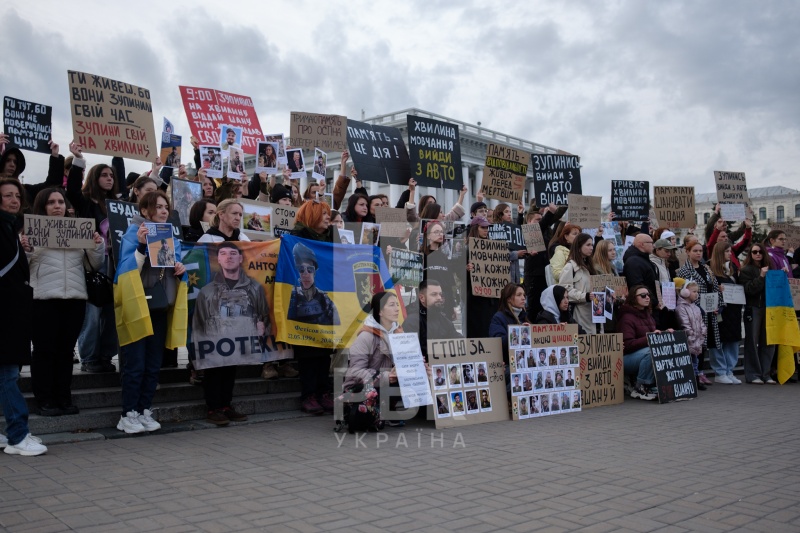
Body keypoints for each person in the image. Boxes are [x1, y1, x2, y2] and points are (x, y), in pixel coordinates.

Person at [27, 188, 105, 416]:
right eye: (51, 202)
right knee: (44, 351)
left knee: (64, 352)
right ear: (42, 207)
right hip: (43, 299)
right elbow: (25, 265)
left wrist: (97, 245)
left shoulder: (79, 231)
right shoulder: (32, 231)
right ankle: (45, 400)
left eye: (60, 201)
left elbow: (94, 265)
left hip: (74, 299)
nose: (57, 206)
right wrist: (28, 249)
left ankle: (63, 398)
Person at [116, 191, 187, 433]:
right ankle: (128, 413)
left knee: (153, 363)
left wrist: (180, 268)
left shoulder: (170, 236)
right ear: (145, 211)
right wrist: (141, 246)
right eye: (158, 207)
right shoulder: (133, 233)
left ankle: (144, 410)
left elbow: (175, 269)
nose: (164, 211)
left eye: (165, 207)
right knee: (135, 363)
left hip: (159, 306)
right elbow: (125, 271)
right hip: (138, 306)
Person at [192, 242, 270, 425]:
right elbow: (199, 322)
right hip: (214, 343)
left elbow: (264, 315)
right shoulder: (207, 292)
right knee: (214, 372)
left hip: (240, 343)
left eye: (233, 253)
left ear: (241, 258)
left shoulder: (255, 288)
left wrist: (261, 326)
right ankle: (213, 409)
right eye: (224, 253)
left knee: (230, 370)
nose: (229, 257)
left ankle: (226, 406)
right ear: (218, 258)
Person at [0, 178, 48, 456]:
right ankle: (18, 435)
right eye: (7, 195)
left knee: (5, 374)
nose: (14, 200)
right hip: (6, 314)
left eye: (16, 195)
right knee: (7, 375)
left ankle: (12, 434)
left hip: (12, 312)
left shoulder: (10, 229)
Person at [67, 142, 119, 374]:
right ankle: (89, 358)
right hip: (94, 263)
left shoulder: (117, 204)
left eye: (112, 175)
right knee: (93, 314)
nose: (109, 179)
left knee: (113, 312)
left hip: (116, 264)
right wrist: (78, 160)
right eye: (104, 175)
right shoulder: (86, 201)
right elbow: (72, 193)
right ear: (95, 177)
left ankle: (106, 356)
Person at [289, 200, 339, 414]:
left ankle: (323, 392)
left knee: (324, 352)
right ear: (311, 216)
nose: (328, 217)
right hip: (302, 299)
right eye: (323, 214)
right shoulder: (296, 239)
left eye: (328, 214)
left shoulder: (332, 238)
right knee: (308, 354)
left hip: (326, 295)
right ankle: (308, 395)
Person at [341, 292, 407, 424]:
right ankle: (374, 410)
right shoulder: (366, 336)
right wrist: (386, 376)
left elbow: (405, 361)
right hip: (361, 387)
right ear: (380, 311)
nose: (397, 309)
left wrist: (417, 365)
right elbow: (355, 372)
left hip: (385, 383)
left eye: (397, 305)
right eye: (391, 305)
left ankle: (387, 408)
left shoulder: (399, 333)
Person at [676, 240, 722, 386]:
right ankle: (697, 372)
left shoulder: (706, 268)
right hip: (694, 310)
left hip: (709, 309)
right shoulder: (684, 271)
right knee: (696, 342)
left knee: (704, 340)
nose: (698, 253)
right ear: (688, 252)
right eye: (695, 251)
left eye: (700, 251)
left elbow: (714, 287)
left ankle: (700, 371)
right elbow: (684, 292)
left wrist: (718, 305)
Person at [617, 285, 661, 400]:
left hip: (640, 355)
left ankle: (652, 384)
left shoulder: (648, 316)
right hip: (626, 358)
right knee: (651, 352)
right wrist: (649, 338)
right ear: (633, 298)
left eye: (648, 295)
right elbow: (627, 345)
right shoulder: (627, 318)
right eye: (643, 295)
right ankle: (641, 387)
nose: (647, 297)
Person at [738, 244, 775, 384]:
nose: (758, 254)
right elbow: (749, 289)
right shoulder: (746, 270)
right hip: (754, 308)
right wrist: (761, 277)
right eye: (754, 252)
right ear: (750, 254)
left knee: (769, 341)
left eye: (760, 252)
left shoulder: (770, 268)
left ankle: (766, 373)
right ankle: (753, 374)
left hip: (770, 308)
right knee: (752, 341)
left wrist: (781, 274)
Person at [708, 242, 743, 384]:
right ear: (720, 252)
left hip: (734, 309)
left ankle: (729, 370)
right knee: (719, 340)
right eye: (727, 251)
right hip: (721, 310)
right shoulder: (710, 269)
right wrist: (718, 289)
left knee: (733, 340)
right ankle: (720, 371)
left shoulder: (732, 268)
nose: (730, 253)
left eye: (730, 251)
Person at [402, 280, 462, 361]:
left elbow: (458, 340)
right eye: (434, 294)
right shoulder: (411, 322)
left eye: (440, 294)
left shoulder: (444, 320)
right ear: (422, 298)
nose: (439, 298)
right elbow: (413, 354)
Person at [465, 216, 499, 338]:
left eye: (487, 228)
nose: (486, 230)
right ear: (475, 228)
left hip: (492, 299)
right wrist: (466, 269)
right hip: (476, 299)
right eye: (483, 227)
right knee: (478, 330)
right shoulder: (467, 249)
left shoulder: (494, 248)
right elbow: (457, 273)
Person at [558, 233, 596, 334]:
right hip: (579, 313)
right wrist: (585, 296)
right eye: (588, 245)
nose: (591, 248)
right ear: (579, 247)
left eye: (592, 245)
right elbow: (564, 291)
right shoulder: (570, 267)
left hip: (594, 313)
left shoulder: (591, 266)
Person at [674, 279, 708, 390]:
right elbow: (685, 325)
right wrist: (692, 336)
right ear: (685, 292)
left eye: (697, 291)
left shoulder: (696, 307)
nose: (696, 294)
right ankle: (693, 381)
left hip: (697, 339)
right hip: (689, 339)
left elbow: (701, 322)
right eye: (694, 291)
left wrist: (703, 332)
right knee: (692, 361)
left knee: (695, 361)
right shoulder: (681, 308)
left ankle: (696, 380)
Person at [489, 283, 528, 367]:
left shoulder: (524, 317)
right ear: (509, 299)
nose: (523, 298)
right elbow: (497, 344)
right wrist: (517, 332)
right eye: (519, 295)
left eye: (524, 295)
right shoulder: (498, 318)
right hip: (508, 366)